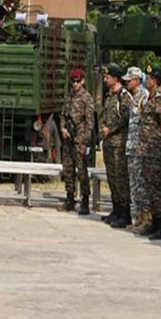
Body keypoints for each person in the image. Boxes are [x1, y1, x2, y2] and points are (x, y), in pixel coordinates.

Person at [138, 65, 161, 239]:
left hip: (156, 150)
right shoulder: (148, 97)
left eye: (150, 78)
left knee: (158, 188)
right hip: (147, 150)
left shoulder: (160, 99)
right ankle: (154, 221)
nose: (147, 80)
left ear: (156, 81)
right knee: (151, 187)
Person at [100, 63, 132, 228]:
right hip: (108, 143)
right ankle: (116, 210)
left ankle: (125, 213)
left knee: (120, 179)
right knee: (112, 178)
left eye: (108, 77)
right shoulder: (109, 96)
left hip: (119, 144)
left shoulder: (124, 96)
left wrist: (110, 129)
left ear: (116, 78)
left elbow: (126, 117)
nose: (105, 80)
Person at [59, 68, 94, 214]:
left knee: (82, 171)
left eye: (78, 81)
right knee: (68, 170)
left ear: (83, 81)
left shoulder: (87, 98)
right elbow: (62, 115)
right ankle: (70, 199)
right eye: (73, 81)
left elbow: (90, 123)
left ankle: (85, 200)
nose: (75, 84)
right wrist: (62, 128)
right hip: (68, 140)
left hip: (79, 139)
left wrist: (84, 141)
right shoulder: (69, 97)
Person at [124, 66, 149, 233]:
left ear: (137, 80)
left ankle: (146, 218)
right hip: (132, 147)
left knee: (141, 184)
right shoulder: (134, 97)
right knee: (134, 185)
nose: (127, 82)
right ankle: (139, 217)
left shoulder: (144, 97)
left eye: (130, 79)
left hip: (140, 148)